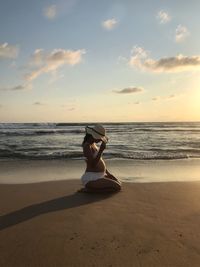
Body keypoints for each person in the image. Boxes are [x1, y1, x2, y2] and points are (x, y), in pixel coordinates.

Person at [78, 124, 122, 193]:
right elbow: (93, 165)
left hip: (101, 175)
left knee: (119, 183)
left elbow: (99, 160)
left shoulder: (93, 144)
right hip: (92, 178)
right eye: (99, 138)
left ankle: (93, 189)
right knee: (117, 187)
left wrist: (108, 173)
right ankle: (90, 190)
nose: (100, 140)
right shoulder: (87, 146)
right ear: (93, 135)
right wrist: (101, 150)